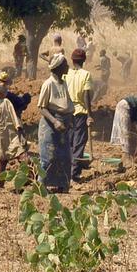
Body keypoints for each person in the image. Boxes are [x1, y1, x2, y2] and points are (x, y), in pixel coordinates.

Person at [37, 54, 74, 192]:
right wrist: (55, 121)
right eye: (65, 65)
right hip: (50, 124)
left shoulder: (63, 83)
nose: (68, 67)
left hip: (64, 124)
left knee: (64, 157)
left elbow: (67, 104)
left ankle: (63, 186)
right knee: (48, 157)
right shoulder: (48, 84)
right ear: (58, 67)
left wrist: (70, 120)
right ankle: (41, 187)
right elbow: (42, 107)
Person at [65, 49, 93, 181]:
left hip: (67, 111)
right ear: (84, 60)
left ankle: (67, 171)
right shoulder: (86, 74)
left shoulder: (66, 74)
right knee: (79, 142)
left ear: (72, 60)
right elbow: (87, 96)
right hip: (80, 112)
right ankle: (74, 174)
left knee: (69, 142)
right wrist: (90, 114)